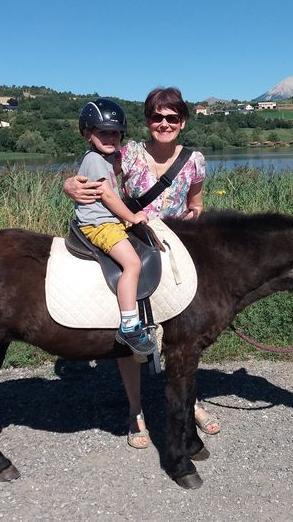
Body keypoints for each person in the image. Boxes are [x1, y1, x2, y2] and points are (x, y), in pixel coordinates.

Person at [64, 87, 220, 449]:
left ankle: (191, 400)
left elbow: (196, 202)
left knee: (184, 333)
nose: (164, 124)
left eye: (172, 117)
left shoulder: (194, 161)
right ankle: (135, 411)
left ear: (182, 121)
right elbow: (97, 173)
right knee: (134, 325)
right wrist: (69, 184)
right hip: (133, 240)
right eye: (156, 117)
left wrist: (196, 216)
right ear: (148, 120)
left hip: (175, 249)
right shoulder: (129, 152)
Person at [74, 98, 157, 356]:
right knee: (132, 263)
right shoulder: (95, 160)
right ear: (87, 134)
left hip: (107, 222)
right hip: (100, 225)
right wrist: (132, 217)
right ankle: (129, 326)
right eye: (103, 132)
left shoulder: (103, 160)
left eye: (116, 133)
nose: (111, 138)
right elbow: (108, 196)